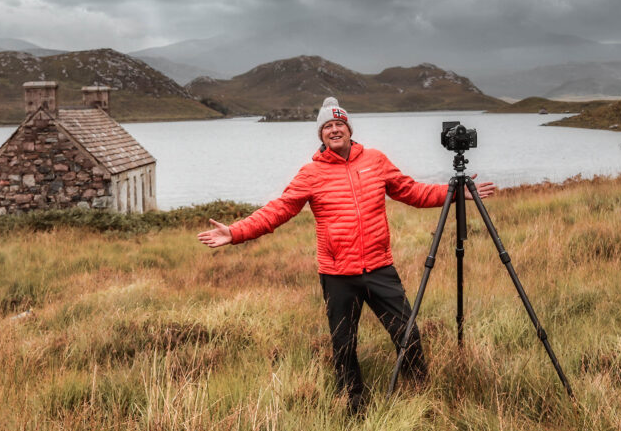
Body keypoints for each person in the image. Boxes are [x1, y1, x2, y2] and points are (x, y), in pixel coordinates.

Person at [197, 97, 496, 414]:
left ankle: (420, 398)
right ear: (321, 135)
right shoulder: (310, 173)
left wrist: (453, 194)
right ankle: (354, 407)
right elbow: (279, 210)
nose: (334, 129)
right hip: (337, 275)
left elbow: (411, 191)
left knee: (407, 334)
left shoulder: (376, 160)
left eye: (339, 124)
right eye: (328, 126)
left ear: (349, 129)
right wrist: (236, 232)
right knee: (344, 346)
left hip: (380, 269)